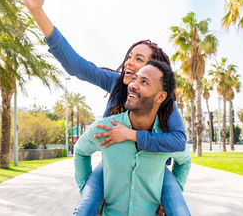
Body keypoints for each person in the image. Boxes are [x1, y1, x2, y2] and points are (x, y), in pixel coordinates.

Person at [22, 0, 191, 215]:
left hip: (153, 167)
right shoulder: (116, 83)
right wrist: (37, 10)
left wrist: (131, 135)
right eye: (129, 57)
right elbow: (76, 65)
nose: (129, 64)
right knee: (87, 206)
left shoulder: (165, 104)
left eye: (139, 60)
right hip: (113, 163)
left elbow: (178, 143)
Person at [75, 60, 191, 215]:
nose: (133, 85)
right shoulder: (106, 128)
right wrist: (87, 194)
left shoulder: (166, 140)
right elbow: (81, 151)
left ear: (160, 97)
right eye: (135, 79)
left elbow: (184, 161)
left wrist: (169, 199)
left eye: (144, 82)